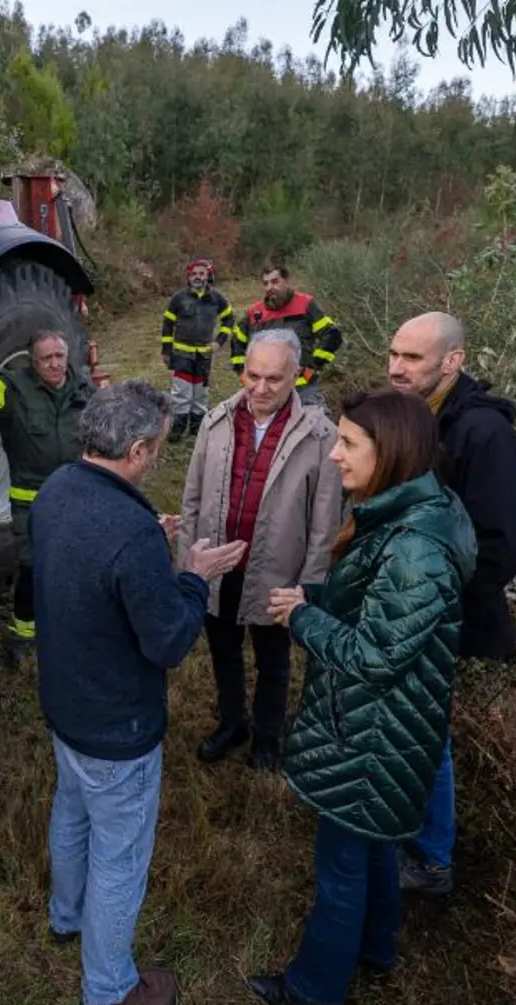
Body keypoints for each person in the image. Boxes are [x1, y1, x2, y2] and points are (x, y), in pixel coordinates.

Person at [246, 389, 477, 1005]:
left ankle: (314, 986)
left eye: (349, 443)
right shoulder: (408, 519)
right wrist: (319, 599)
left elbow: (375, 656)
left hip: (373, 733)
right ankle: (376, 948)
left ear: (392, 453)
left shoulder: (413, 547)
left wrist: (301, 619)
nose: (334, 453)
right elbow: (381, 610)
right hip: (387, 726)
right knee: (373, 843)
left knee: (341, 863)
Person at [30, 379, 247, 1005]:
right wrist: (193, 575)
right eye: (155, 443)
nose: (158, 452)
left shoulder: (56, 489)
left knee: (71, 812)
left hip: (65, 705)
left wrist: (149, 541)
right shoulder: (129, 532)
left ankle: (65, 916)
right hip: (116, 724)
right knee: (120, 854)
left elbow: (82, 562)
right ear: (135, 448)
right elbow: (171, 641)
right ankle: (108, 987)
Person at [383, 311, 516, 898]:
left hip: (439, 619)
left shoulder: (484, 435)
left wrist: (434, 605)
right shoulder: (419, 416)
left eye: (412, 358)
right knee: (405, 725)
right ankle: (402, 830)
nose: (396, 367)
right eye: (393, 353)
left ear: (453, 361)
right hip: (397, 609)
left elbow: (500, 548)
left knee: (426, 732)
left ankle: (432, 859)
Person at [179, 328, 342, 771]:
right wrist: (187, 563)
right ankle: (233, 722)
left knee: (273, 660)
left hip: (278, 575)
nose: (260, 388)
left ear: (296, 377)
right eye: (252, 375)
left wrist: (308, 586)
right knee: (224, 651)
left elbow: (324, 524)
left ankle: (267, 737)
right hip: (219, 568)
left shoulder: (321, 437)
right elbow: (191, 498)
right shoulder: (215, 422)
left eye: (274, 379)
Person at [0, 327, 93, 666]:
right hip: (31, 500)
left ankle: (72, 627)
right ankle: (24, 635)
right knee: (32, 569)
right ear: (33, 363)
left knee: (75, 565)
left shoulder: (84, 391)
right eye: (46, 358)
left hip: (75, 496)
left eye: (59, 356)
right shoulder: (13, 390)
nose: (55, 364)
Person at [230, 263, 344, 406]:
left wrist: (312, 367)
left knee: (313, 424)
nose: (270, 287)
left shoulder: (305, 304)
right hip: (265, 390)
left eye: (275, 281)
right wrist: (245, 377)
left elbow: (332, 335)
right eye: (265, 283)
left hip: (301, 387)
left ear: (286, 281)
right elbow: (237, 343)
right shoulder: (254, 313)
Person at [160, 256, 233, 442]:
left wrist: (219, 342)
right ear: (188, 277)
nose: (197, 277)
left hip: (204, 355)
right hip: (181, 354)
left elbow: (229, 320)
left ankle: (197, 429)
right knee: (181, 392)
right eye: (193, 274)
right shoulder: (178, 299)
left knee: (200, 393)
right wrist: (166, 351)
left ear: (209, 276)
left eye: (201, 273)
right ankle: (178, 428)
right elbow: (167, 325)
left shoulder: (217, 299)